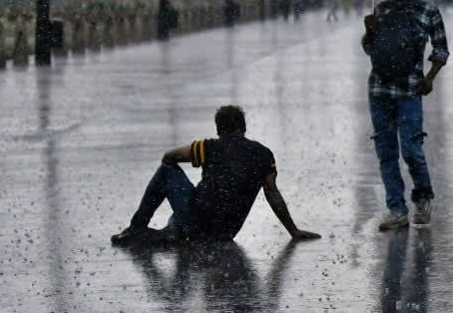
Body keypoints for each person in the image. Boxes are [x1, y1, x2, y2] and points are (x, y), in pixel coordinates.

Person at [110, 105, 320, 246]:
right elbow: (272, 193)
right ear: (244, 128)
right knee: (187, 212)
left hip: (197, 223)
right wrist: (293, 230)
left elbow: (168, 157)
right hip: (225, 234)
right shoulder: (264, 155)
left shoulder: (209, 147)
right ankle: (174, 230)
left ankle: (137, 228)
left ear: (219, 129)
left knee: (166, 171)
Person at [362, 0, 450, 230]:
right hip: (379, 89)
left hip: (410, 90)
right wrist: (369, 31)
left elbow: (441, 49)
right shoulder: (382, 10)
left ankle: (423, 198)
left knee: (412, 150)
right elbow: (369, 50)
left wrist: (430, 77)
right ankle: (397, 209)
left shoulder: (428, 11)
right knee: (386, 152)